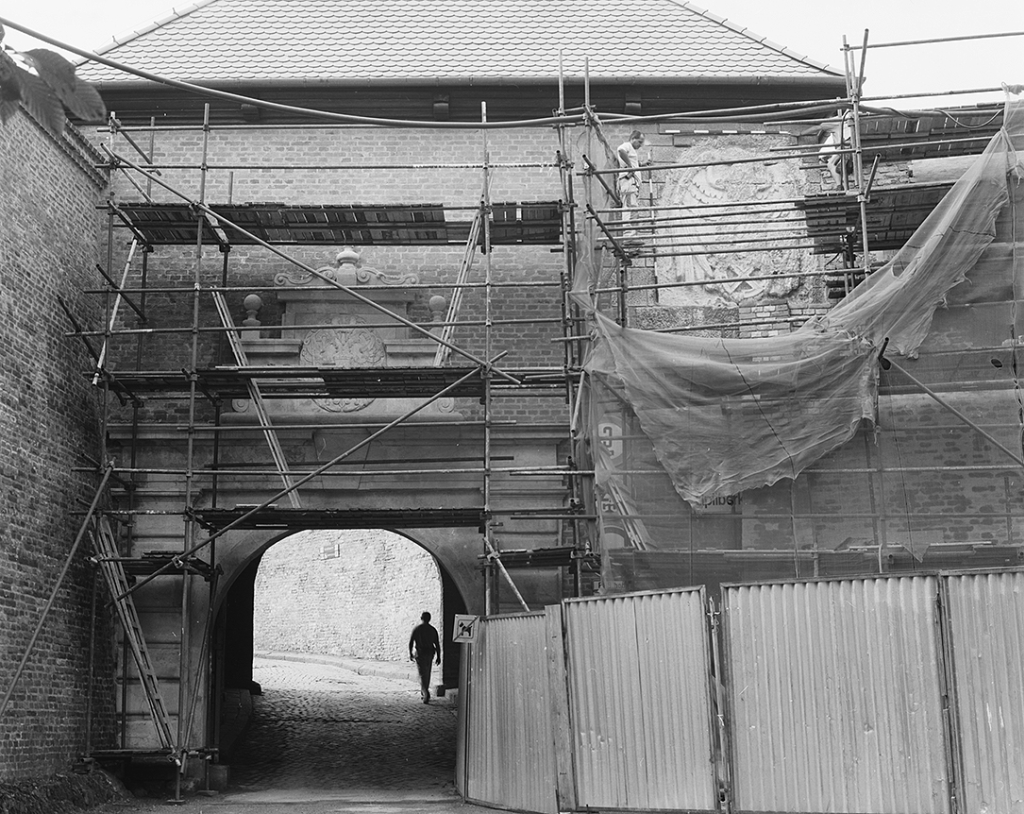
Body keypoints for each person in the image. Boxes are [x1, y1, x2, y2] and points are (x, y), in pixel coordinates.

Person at [616, 130, 646, 238]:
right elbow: (621, 151)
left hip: (632, 183)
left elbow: (633, 164)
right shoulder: (627, 145)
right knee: (629, 208)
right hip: (628, 182)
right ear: (633, 138)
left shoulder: (632, 149)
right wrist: (630, 167)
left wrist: (640, 165)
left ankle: (632, 236)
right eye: (639, 142)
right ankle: (629, 237)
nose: (640, 145)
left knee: (633, 208)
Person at [408, 611, 441, 704]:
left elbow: (411, 642)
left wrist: (410, 653)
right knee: (427, 672)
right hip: (430, 653)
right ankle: (424, 691)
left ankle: (425, 693)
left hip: (420, 653)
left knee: (422, 674)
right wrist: (439, 656)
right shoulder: (432, 630)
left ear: (421, 618)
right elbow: (437, 644)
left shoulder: (417, 629)